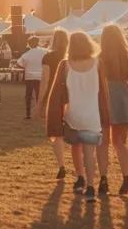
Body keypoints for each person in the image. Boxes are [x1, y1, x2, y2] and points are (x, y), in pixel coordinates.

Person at [43, 31, 110, 203]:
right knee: (90, 151)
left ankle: (79, 176)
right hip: (92, 114)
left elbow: (57, 92)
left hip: (73, 115)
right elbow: (103, 91)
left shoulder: (65, 65)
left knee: (75, 148)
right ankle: (90, 186)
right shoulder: (97, 64)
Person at [99, 24, 128, 196]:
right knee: (120, 142)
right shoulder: (127, 55)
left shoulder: (99, 57)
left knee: (102, 143)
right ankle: (126, 177)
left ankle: (103, 179)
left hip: (104, 97)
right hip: (123, 97)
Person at [36, 30, 70, 181]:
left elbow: (45, 80)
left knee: (57, 132)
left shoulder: (48, 57)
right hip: (72, 96)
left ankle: (62, 165)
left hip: (54, 96)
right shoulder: (72, 57)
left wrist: (39, 103)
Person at [17, 36, 48, 120]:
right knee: (39, 95)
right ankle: (40, 112)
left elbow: (19, 63)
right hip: (39, 76)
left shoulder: (26, 54)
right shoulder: (43, 52)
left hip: (29, 76)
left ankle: (28, 114)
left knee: (28, 95)